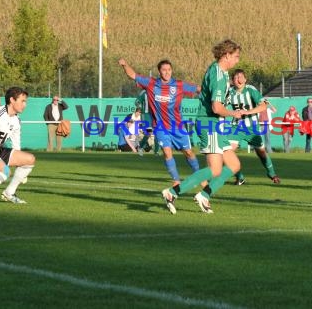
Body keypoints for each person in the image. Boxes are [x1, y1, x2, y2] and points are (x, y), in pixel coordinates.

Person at [159, 39, 243, 214]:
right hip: (209, 124)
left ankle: (204, 195)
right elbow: (216, 107)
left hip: (216, 125)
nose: (237, 60)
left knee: (234, 164)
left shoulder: (220, 70)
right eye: (235, 56)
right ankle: (173, 192)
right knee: (215, 169)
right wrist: (234, 113)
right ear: (226, 55)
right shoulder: (219, 75)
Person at [119, 58, 201, 188]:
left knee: (189, 153)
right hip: (160, 127)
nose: (167, 72)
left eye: (169, 70)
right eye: (164, 70)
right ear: (159, 71)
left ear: (171, 71)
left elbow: (197, 89)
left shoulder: (179, 85)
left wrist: (210, 91)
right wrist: (125, 65)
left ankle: (199, 176)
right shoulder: (151, 83)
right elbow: (133, 75)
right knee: (167, 153)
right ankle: (176, 181)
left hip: (177, 127)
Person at [227, 69, 280, 185]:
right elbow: (220, 105)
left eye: (241, 77)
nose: (239, 79)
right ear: (232, 81)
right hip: (237, 126)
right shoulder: (230, 92)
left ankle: (272, 173)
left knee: (261, 152)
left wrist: (248, 112)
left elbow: (263, 106)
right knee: (227, 152)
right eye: (236, 78)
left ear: (245, 79)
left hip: (252, 127)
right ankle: (239, 177)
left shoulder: (250, 90)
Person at [135, 90, 160, 155]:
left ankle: (156, 151)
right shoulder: (144, 92)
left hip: (155, 115)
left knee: (157, 133)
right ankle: (140, 147)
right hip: (146, 115)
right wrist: (140, 107)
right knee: (149, 132)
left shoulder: (157, 91)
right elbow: (137, 101)